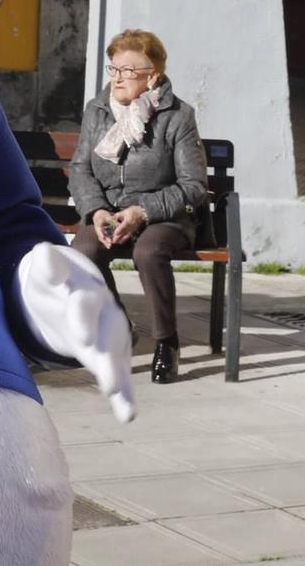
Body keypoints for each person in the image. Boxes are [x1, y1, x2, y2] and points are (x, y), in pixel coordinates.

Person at [68, 29, 208, 385]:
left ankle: (166, 342)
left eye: (128, 71)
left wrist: (141, 211)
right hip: (110, 213)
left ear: (153, 76)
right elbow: (82, 168)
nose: (117, 78)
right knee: (83, 250)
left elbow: (193, 186)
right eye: (114, 68)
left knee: (148, 251)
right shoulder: (97, 110)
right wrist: (97, 211)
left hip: (164, 216)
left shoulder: (178, 116)